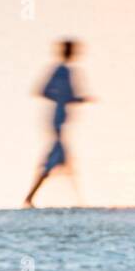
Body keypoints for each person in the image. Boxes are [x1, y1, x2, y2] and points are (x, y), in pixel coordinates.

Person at [25, 38, 90, 208]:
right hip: (58, 120)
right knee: (56, 159)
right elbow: (43, 90)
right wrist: (68, 99)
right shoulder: (61, 71)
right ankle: (30, 197)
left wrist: (71, 99)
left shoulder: (66, 70)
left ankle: (32, 197)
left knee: (60, 159)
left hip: (61, 119)